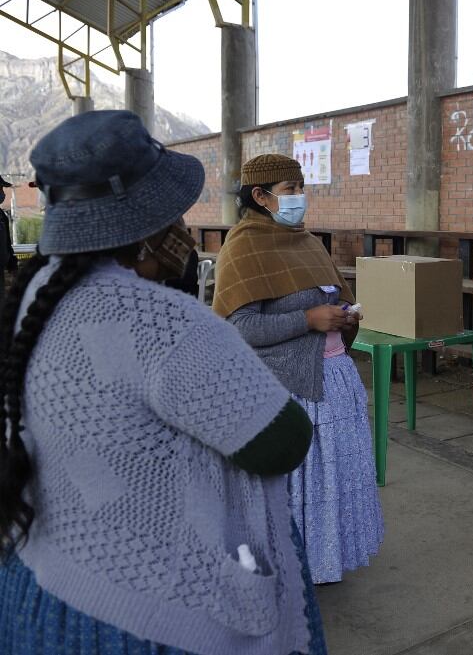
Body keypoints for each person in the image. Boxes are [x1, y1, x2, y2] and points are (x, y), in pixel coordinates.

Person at [0, 110, 326, 654]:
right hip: (144, 611)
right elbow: (282, 441)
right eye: (173, 213)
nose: (182, 227)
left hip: (39, 589)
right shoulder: (160, 322)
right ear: (147, 226)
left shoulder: (31, 299)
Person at [214, 153, 383, 584]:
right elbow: (240, 327)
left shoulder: (306, 241)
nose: (300, 198)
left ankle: (324, 563)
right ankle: (292, 572)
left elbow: (329, 297)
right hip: (290, 391)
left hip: (335, 383)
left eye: (301, 187)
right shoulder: (242, 245)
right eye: (291, 190)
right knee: (300, 490)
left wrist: (345, 314)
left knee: (334, 483)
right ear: (261, 196)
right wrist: (308, 320)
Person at [0, 175, 17, 304]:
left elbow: (7, 242)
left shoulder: (1, 216)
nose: (2, 193)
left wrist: (12, 261)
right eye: (0, 188)